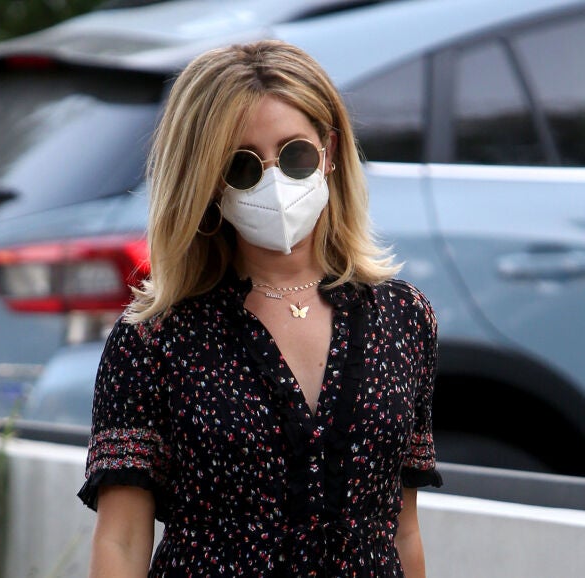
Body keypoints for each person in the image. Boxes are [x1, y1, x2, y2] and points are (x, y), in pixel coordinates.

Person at [78, 39, 441, 577]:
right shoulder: (154, 341)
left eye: (295, 154)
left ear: (330, 152)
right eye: (242, 166)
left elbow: (403, 527)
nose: (275, 182)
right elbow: (121, 540)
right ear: (207, 180)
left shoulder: (404, 318)